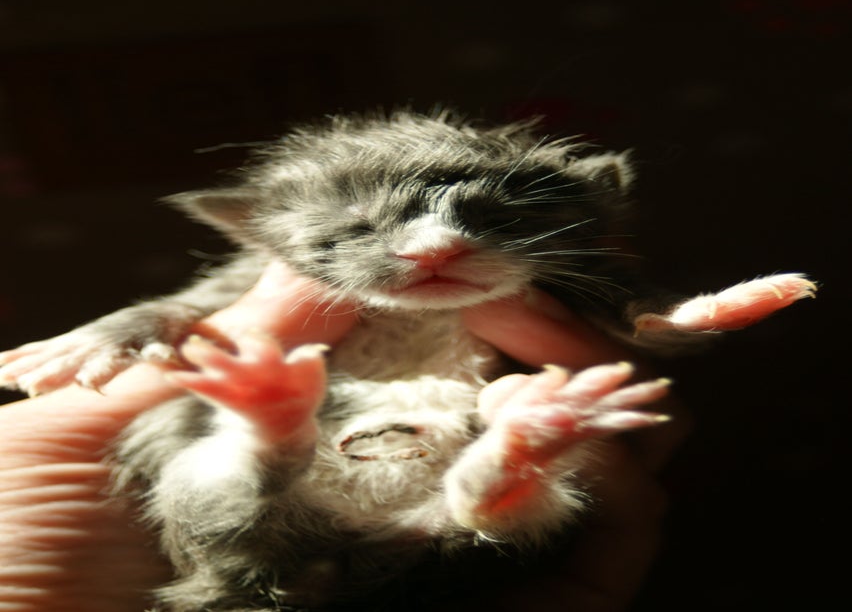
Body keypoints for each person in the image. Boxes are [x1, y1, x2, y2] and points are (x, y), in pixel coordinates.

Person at [0, 261, 688, 612]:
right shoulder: (285, 281)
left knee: (465, 540)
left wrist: (672, 316)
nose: (430, 253)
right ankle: (500, 474)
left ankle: (272, 435)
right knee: (485, 527)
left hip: (346, 524)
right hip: (345, 506)